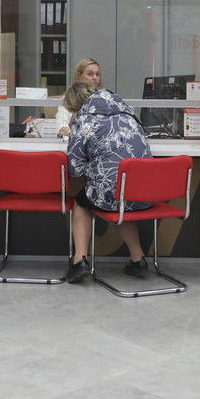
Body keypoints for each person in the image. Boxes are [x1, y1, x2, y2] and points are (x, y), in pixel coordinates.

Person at [62, 81, 152, 284]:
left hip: (114, 192)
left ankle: (79, 261)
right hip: (143, 192)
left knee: (82, 203)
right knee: (121, 198)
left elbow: (74, 169)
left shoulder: (84, 121)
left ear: (76, 105)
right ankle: (138, 260)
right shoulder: (129, 115)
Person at [54, 58, 102, 137]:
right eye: (90, 74)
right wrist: (79, 136)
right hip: (77, 140)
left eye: (97, 74)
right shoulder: (70, 97)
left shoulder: (105, 98)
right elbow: (62, 126)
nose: (95, 78)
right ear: (79, 76)